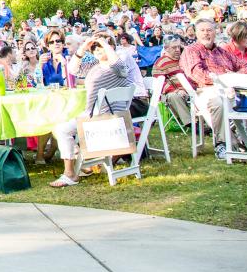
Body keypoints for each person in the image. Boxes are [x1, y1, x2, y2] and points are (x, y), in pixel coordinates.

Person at [49, 33, 132, 187]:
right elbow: (72, 70)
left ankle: (73, 171)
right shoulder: (95, 66)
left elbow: (118, 65)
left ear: (112, 47)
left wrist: (104, 42)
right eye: (95, 48)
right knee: (60, 128)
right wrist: (84, 47)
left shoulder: (118, 67)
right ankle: (77, 165)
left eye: (102, 46)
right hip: (94, 116)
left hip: (106, 119)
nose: (98, 49)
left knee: (62, 129)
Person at [180, 18, 247, 158]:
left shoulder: (222, 52)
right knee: (219, 101)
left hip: (231, 89)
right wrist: (223, 78)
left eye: (209, 30)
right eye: (202, 30)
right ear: (195, 33)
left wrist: (234, 76)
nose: (206, 33)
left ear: (215, 32)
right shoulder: (191, 51)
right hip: (204, 91)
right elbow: (196, 74)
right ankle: (223, 144)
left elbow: (246, 66)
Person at [151, 36, 192, 125]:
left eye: (179, 47)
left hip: (189, 90)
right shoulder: (160, 63)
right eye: (174, 47)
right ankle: (191, 123)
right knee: (174, 96)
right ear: (166, 48)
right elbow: (159, 84)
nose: (177, 50)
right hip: (171, 93)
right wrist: (177, 90)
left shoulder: (184, 59)